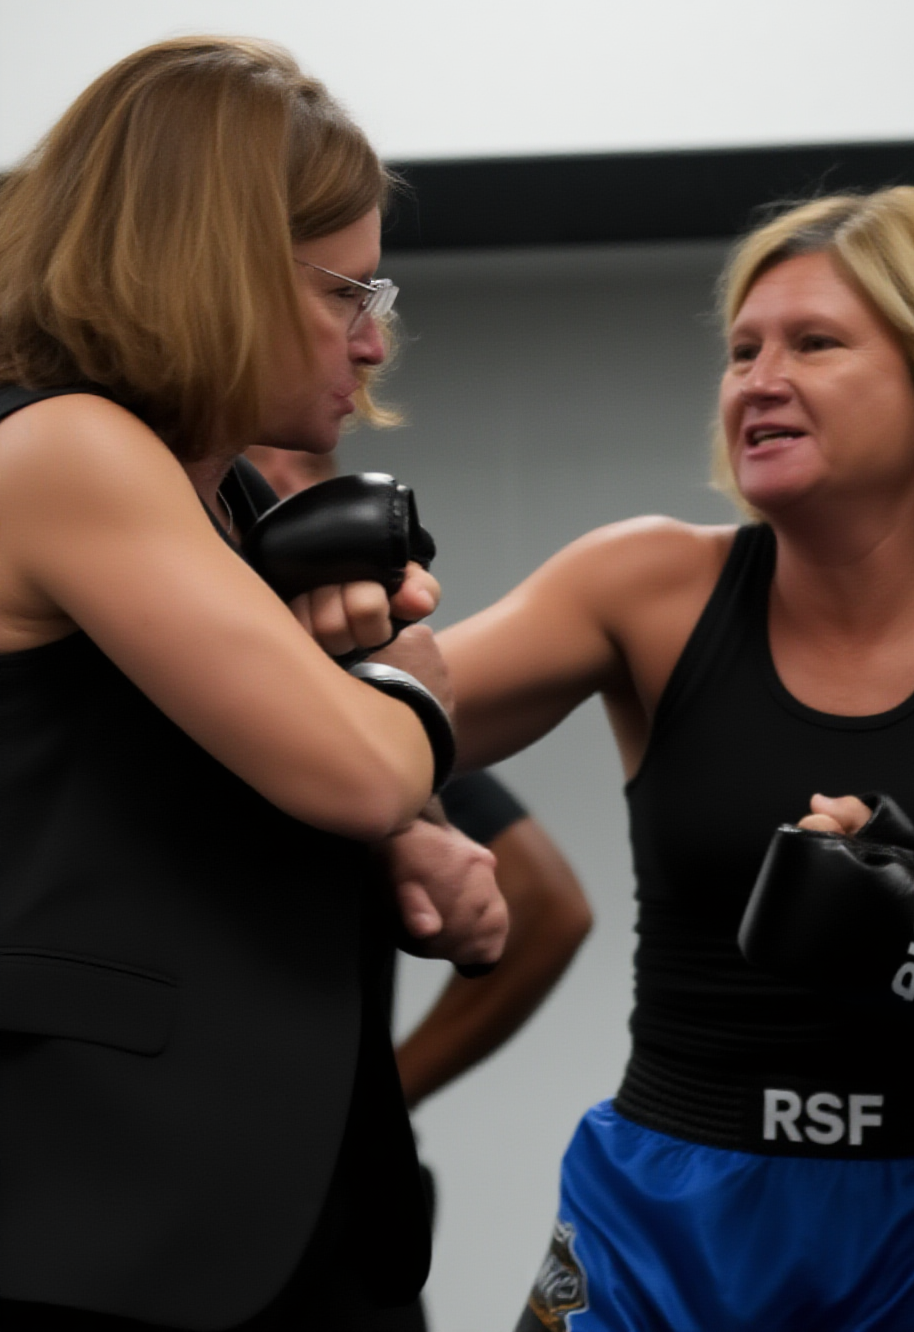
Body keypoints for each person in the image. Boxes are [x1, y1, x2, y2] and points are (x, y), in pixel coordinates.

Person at [437, 187, 914, 1330]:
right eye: (741, 351)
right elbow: (359, 727)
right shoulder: (640, 589)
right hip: (665, 1220)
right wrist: (307, 599)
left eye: (813, 343)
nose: (757, 379)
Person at [0, 36, 506, 1331]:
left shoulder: (221, 493)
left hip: (285, 1214)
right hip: (96, 1222)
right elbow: (355, 767)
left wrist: (405, 836)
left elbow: (208, 789)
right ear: (215, 263)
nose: (372, 342)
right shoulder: (65, 447)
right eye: (346, 293)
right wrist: (409, 689)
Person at [245, 442, 593, 1331]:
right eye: (258, 468)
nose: (285, 492)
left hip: (329, 1220)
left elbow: (540, 905)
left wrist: (381, 1095)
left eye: (308, 472)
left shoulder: (350, 705)